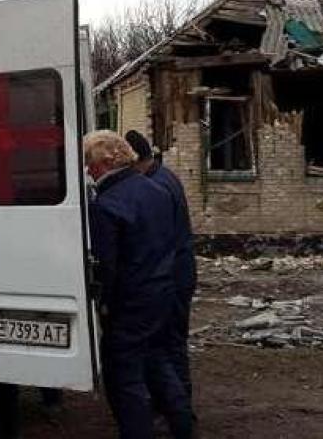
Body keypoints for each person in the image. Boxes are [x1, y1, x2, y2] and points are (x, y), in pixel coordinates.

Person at [84, 130, 193, 439]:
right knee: (159, 362)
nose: (88, 170)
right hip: (162, 292)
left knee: (124, 378)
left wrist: (104, 303)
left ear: (106, 163)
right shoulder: (157, 189)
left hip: (130, 303)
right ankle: (184, 426)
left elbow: (107, 265)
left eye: (90, 163)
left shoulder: (107, 205)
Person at [124, 130, 196, 411]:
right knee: (172, 342)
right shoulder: (165, 177)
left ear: (135, 161)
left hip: (171, 276)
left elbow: (155, 239)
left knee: (169, 345)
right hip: (179, 272)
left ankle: (179, 408)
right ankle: (176, 405)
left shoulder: (155, 187)